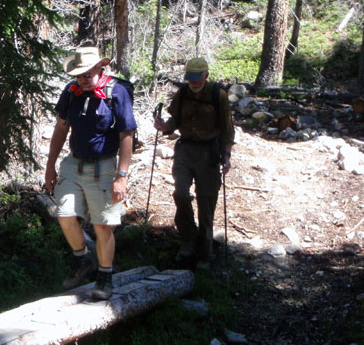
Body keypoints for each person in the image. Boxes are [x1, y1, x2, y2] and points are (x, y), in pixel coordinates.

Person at [45, 46, 137, 297]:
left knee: (102, 225)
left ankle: (105, 278)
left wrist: (122, 175)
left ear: (100, 68)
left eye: (87, 73)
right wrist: (50, 165)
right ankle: (83, 259)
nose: (83, 79)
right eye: (78, 75)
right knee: (64, 214)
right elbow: (61, 128)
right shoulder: (71, 92)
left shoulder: (116, 92)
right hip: (73, 164)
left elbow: (127, 134)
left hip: (104, 166)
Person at [153, 57, 235, 270]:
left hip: (209, 151)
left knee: (206, 202)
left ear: (206, 76)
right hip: (185, 150)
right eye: (190, 78)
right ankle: (188, 240)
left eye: (197, 78)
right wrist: (164, 127)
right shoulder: (183, 93)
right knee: (180, 193)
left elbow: (227, 128)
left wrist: (226, 155)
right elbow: (174, 121)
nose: (194, 82)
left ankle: (205, 251)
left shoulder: (219, 96)